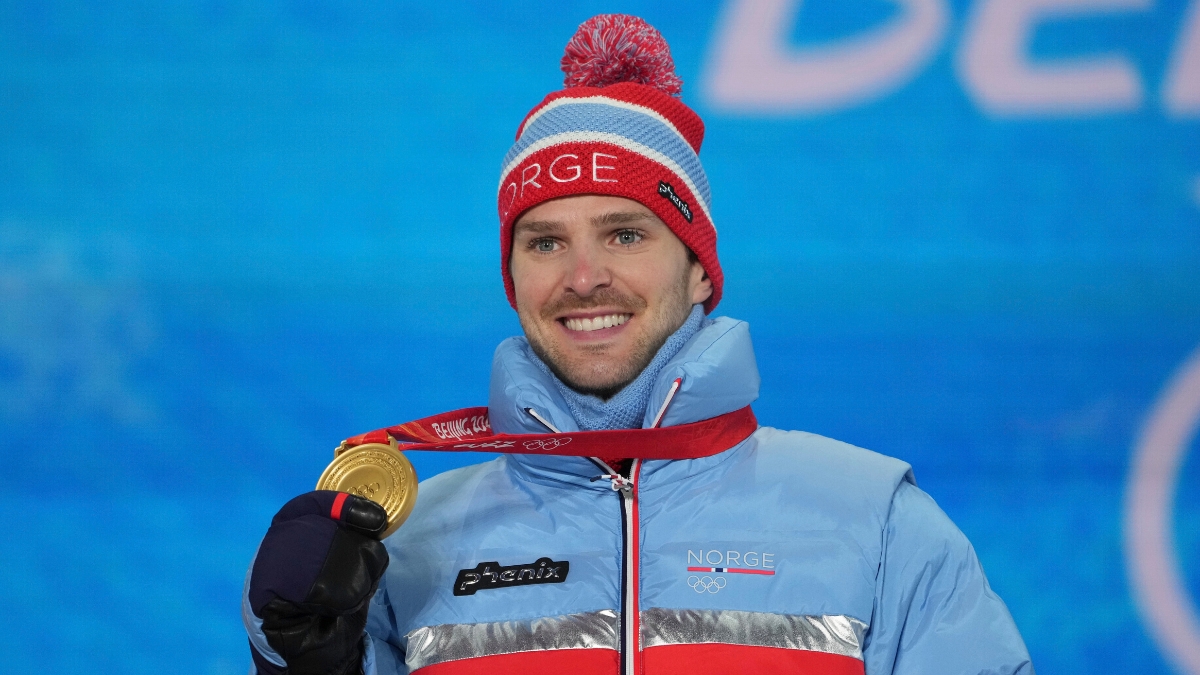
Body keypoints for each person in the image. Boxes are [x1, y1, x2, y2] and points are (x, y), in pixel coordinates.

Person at [242, 14, 1033, 675]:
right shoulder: (405, 546)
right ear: (513, 281)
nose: (585, 278)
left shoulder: (878, 524)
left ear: (699, 271)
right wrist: (295, 658)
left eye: (624, 234)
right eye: (545, 243)